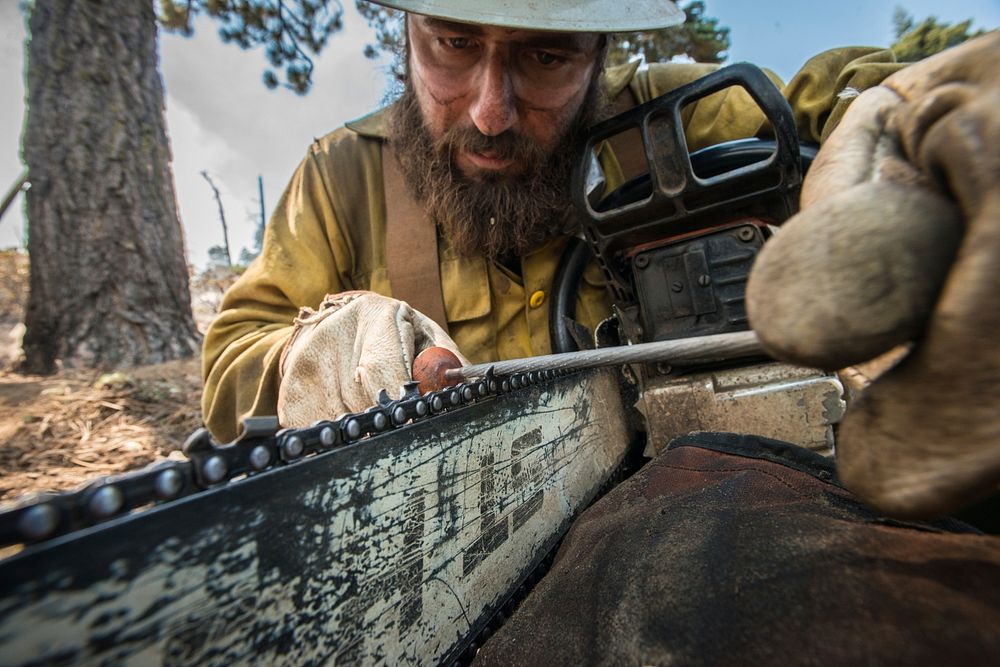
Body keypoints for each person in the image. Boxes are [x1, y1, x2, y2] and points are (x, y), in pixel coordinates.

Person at [202, 1, 1000, 660]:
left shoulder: (682, 111)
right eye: (452, 45)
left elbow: (855, 99)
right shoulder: (343, 178)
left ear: (598, 52)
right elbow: (240, 346)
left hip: (711, 518)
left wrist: (925, 113)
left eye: (545, 58)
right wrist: (311, 352)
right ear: (406, 31)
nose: (489, 110)